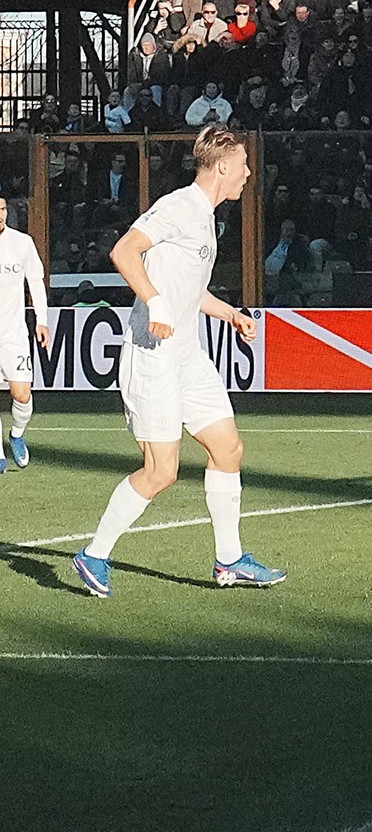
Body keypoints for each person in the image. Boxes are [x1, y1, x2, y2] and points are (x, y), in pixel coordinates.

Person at [70, 124, 284, 599]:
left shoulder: (205, 216)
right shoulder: (179, 206)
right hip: (154, 356)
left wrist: (228, 312)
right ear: (223, 166)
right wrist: (156, 303)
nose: (249, 173)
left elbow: (186, 286)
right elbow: (124, 252)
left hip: (189, 354)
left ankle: (229, 561)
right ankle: (94, 554)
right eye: (244, 166)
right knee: (161, 472)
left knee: (228, 449)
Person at [0, 195, 50, 472]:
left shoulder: (21, 243)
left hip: (14, 334)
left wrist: (42, 320)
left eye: (3, 209)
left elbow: (35, 281)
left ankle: (17, 435)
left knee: (21, 394)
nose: (0, 214)